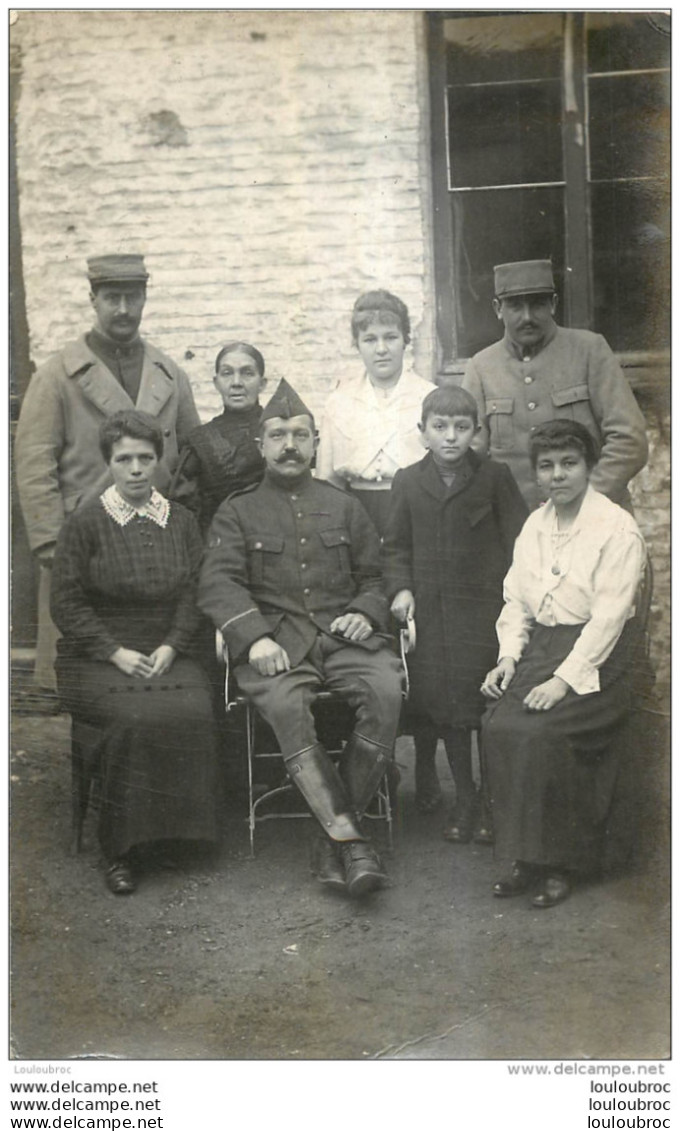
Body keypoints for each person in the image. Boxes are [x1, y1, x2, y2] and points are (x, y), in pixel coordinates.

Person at [198, 379, 404, 898]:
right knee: (288, 709)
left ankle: (329, 836)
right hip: (278, 644)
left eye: (300, 435)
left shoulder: (345, 506)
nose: (290, 444)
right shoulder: (237, 511)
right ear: (260, 445)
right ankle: (353, 843)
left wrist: (365, 610)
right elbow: (219, 581)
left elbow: (375, 577)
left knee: (386, 691)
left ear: (315, 444)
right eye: (278, 435)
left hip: (344, 638)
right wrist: (253, 639)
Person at [15, 254, 200, 703]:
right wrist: (50, 546)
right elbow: (34, 462)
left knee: (160, 675)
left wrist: (187, 532)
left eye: (132, 297)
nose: (123, 308)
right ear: (93, 300)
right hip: (86, 545)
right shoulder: (58, 374)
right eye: (112, 297)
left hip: (158, 546)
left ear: (144, 299)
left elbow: (191, 461)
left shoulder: (169, 374)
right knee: (93, 676)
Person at [480, 420, 647, 908]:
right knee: (499, 725)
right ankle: (524, 857)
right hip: (544, 648)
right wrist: (508, 658)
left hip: (604, 658)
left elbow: (610, 618)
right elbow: (516, 601)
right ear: (536, 474)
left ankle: (562, 863)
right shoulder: (536, 524)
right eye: (547, 466)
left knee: (545, 731)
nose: (558, 476)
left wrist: (562, 681)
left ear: (589, 467)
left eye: (569, 464)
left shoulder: (617, 529)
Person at [51, 410, 219, 895]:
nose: (137, 469)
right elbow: (66, 602)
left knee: (194, 707)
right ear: (110, 462)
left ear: (158, 461)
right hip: (94, 657)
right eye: (124, 459)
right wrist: (113, 652)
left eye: (146, 458)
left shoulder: (182, 521)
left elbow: (194, 593)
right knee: (135, 716)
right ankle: (121, 852)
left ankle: (176, 839)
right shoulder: (85, 523)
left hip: (167, 648)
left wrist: (171, 645)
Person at [382, 385, 527, 836]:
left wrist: (515, 597)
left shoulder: (494, 477)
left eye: (461, 428)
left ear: (475, 433)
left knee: (484, 707)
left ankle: (490, 803)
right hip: (433, 617)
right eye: (440, 428)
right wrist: (402, 589)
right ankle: (464, 800)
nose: (450, 438)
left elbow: (521, 542)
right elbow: (396, 547)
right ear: (422, 432)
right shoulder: (407, 480)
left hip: (484, 615)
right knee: (449, 713)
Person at [461, 259, 648, 511]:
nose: (527, 317)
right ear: (497, 308)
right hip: (517, 525)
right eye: (515, 306)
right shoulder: (481, 367)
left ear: (553, 304)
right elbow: (471, 455)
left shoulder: (589, 351)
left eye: (538, 304)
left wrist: (586, 500)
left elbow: (629, 440)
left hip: (592, 516)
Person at [316, 289, 432, 535]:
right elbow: (327, 479)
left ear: (405, 340)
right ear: (356, 344)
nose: (381, 349)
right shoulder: (339, 402)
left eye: (390, 337)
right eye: (370, 339)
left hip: (417, 512)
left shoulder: (428, 397)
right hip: (356, 512)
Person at [170, 341, 267, 532]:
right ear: (216, 383)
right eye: (227, 373)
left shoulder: (281, 431)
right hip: (224, 543)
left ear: (262, 383)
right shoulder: (201, 441)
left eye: (247, 373)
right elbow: (185, 509)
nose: (236, 383)